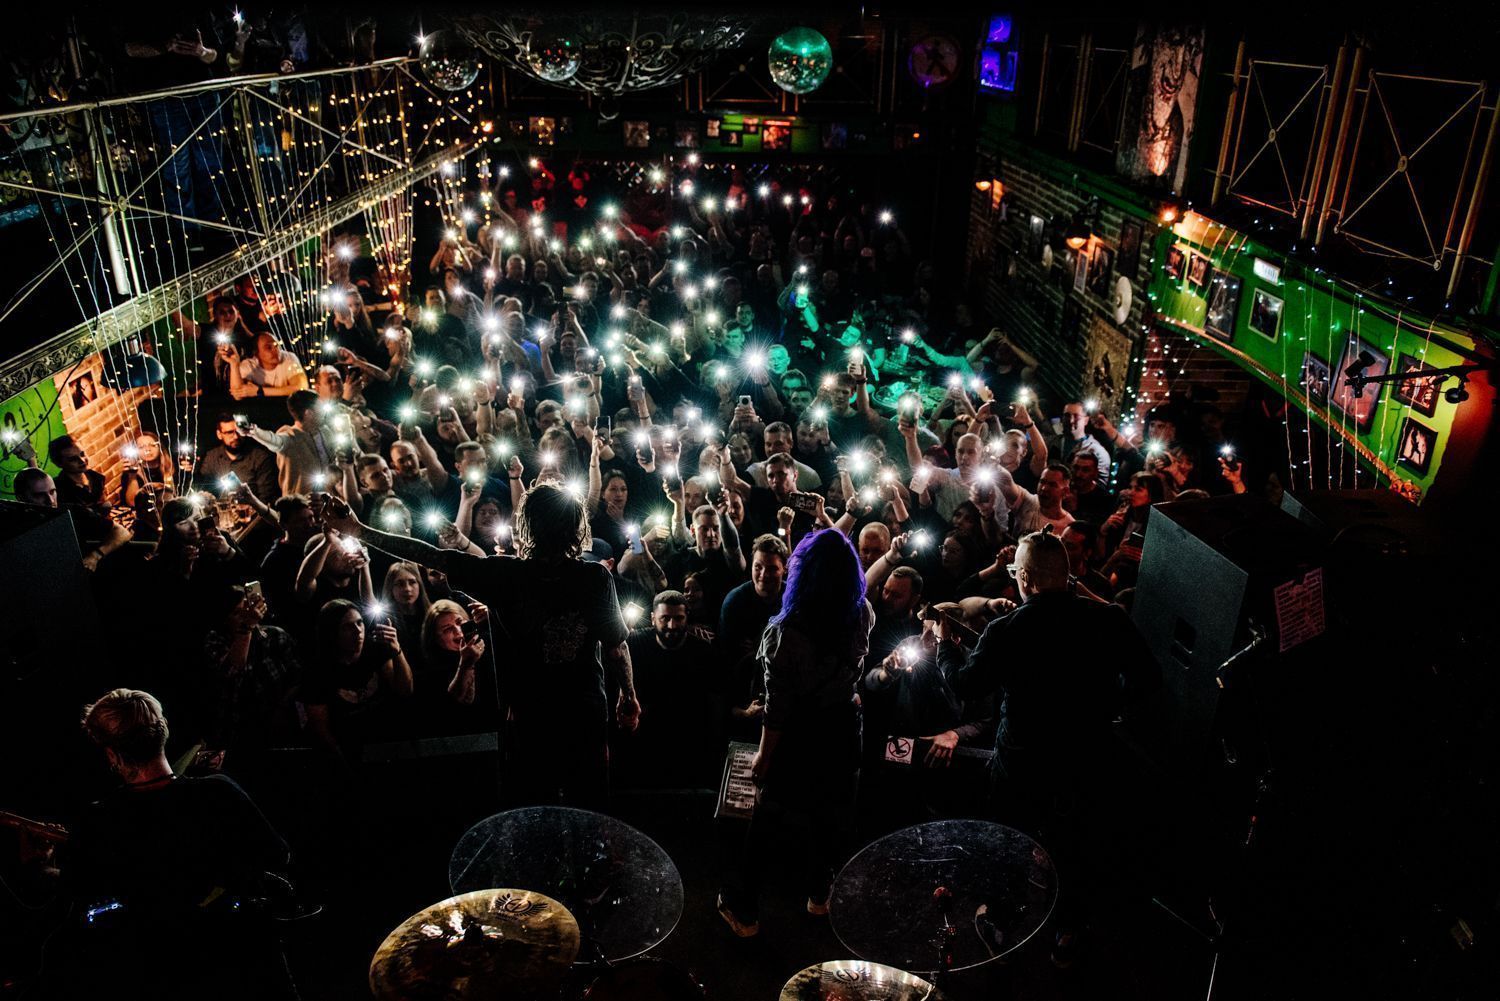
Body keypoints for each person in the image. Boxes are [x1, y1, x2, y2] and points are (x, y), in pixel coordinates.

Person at [319, 482, 640, 807]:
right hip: (583, 715)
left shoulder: (503, 574)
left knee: (532, 812)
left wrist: (358, 530)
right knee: (589, 808)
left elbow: (430, 555)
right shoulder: (594, 577)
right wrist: (628, 695)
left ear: (527, 525)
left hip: (528, 718)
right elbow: (616, 648)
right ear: (576, 526)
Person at [939, 531, 1158, 963]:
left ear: (1024, 577)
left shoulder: (1008, 629)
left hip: (1021, 764)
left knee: (1009, 843)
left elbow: (965, 685)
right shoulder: (1108, 620)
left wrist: (945, 646)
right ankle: (1068, 935)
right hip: (1087, 760)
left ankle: (1002, 925)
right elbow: (1149, 680)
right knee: (1076, 846)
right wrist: (1110, 707)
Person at [64, 688, 294, 999]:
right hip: (241, 959)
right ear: (164, 732)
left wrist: (37, 863)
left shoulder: (100, 819)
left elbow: (78, 892)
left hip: (160, 970)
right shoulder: (218, 793)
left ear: (111, 754)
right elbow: (278, 854)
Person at [719, 528, 874, 937]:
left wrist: (764, 756)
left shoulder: (783, 631)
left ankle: (745, 911)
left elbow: (778, 707)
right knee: (830, 813)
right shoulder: (862, 612)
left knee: (767, 818)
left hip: (799, 732)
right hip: (843, 726)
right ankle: (820, 896)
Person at [619, 590, 717, 789]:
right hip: (645, 732)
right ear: (653, 619)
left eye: (678, 618)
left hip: (686, 735)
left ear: (687, 618)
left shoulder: (702, 651)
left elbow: (711, 702)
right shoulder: (635, 644)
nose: (672, 625)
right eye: (665, 618)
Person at [245, 391, 334, 497]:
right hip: (301, 503)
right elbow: (274, 440)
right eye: (320, 408)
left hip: (329, 500)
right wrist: (254, 432)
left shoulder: (326, 432)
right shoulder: (290, 436)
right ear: (308, 413)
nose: (324, 412)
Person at [198, 413, 280, 502]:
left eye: (239, 431)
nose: (236, 436)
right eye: (229, 432)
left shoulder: (260, 457)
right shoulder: (211, 457)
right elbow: (203, 488)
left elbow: (266, 498)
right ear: (219, 434)